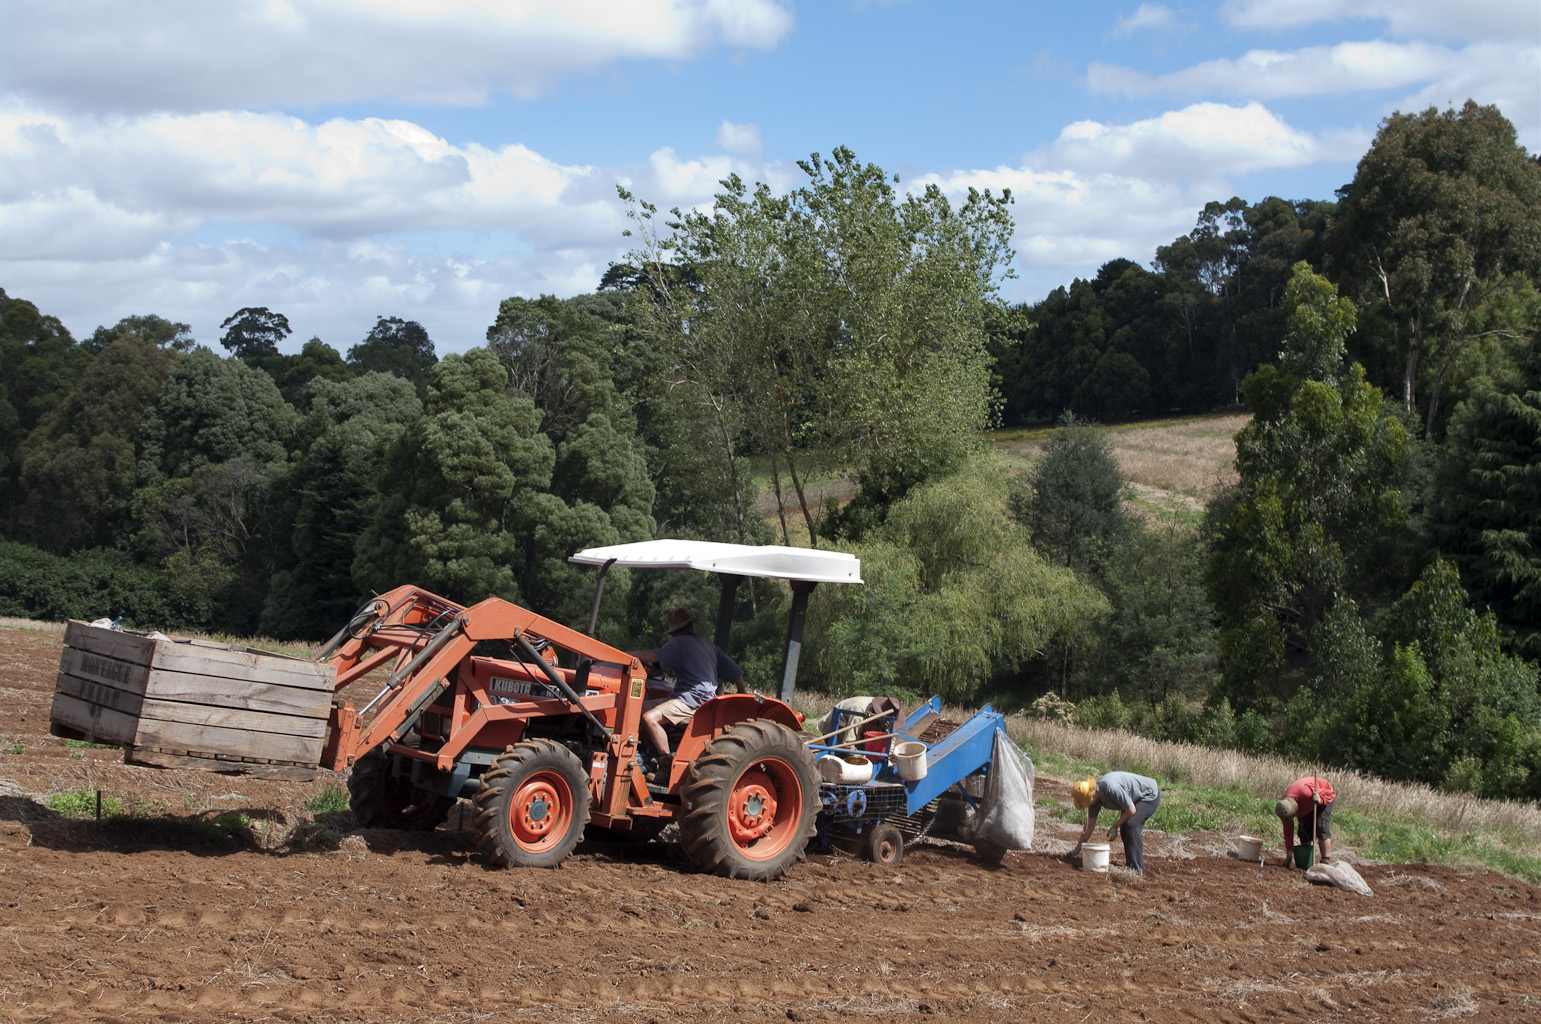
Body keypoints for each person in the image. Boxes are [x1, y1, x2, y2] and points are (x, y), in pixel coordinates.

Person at [630, 609, 744, 766]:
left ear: (674, 631)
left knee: (649, 718)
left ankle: (665, 764)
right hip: (697, 699)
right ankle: (647, 751)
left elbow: (654, 657)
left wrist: (626, 654)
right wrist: (742, 695)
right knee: (639, 705)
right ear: (691, 626)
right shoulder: (709, 646)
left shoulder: (678, 643)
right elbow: (736, 674)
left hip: (692, 700)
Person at [1067, 771, 1161, 872]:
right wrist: (1078, 848)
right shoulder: (1094, 801)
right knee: (1125, 828)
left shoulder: (1111, 788)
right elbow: (1089, 827)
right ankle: (1130, 865)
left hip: (1148, 794)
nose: (1086, 805)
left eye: (1086, 802)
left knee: (1132, 824)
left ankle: (1137, 868)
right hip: (1133, 798)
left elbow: (1131, 810)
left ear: (1091, 795)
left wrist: (1115, 826)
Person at [1276, 775, 1335, 867]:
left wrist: (1320, 799)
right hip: (1307, 802)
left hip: (1323, 796)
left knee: (1321, 826)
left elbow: (1331, 794)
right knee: (1303, 831)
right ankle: (1306, 859)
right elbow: (1288, 832)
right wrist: (1289, 853)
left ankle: (1325, 860)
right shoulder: (1284, 808)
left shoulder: (1307, 793)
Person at [813, 696, 903, 747]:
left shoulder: (886, 711)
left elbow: (889, 736)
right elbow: (848, 744)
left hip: (856, 727)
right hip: (836, 728)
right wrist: (862, 760)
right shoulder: (858, 713)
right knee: (842, 757)